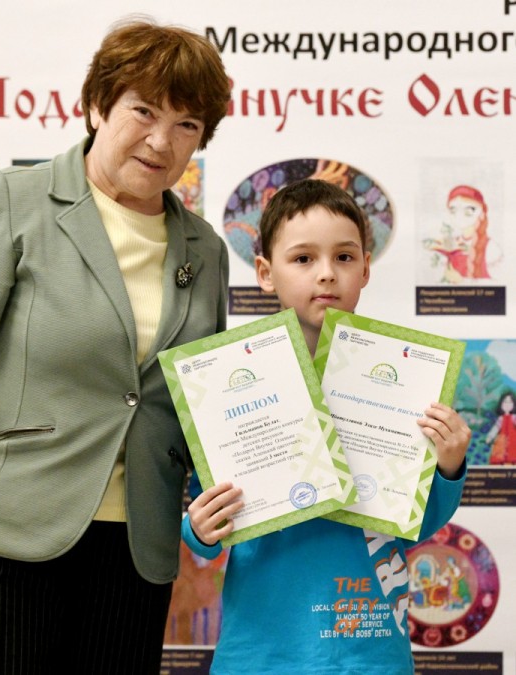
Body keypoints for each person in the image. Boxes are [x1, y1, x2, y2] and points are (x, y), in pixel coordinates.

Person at [0, 18, 231, 675]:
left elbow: (201, 402)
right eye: (143, 111)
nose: (161, 140)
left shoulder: (205, 249)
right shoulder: (11, 202)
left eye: (186, 124)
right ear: (97, 105)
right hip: (2, 544)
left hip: (135, 557)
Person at [183, 179, 471, 675]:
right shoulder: (227, 380)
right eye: (303, 259)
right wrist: (200, 530)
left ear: (365, 269)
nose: (326, 274)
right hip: (262, 652)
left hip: (369, 648)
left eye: (344, 257)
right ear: (265, 273)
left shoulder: (408, 381)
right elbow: (203, 517)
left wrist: (448, 467)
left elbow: (420, 524)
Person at [424, 184, 501, 283]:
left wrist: (461, 281)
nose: (459, 215)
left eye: (469, 210)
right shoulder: (450, 242)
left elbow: (500, 287)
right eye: (453, 210)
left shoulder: (491, 248)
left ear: (482, 212)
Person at [486, 391, 516, 464]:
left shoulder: (514, 417)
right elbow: (495, 428)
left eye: (510, 402)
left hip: (513, 441)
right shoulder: (500, 419)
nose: (507, 404)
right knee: (500, 456)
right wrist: (490, 437)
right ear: (501, 404)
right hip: (502, 441)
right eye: (505, 402)